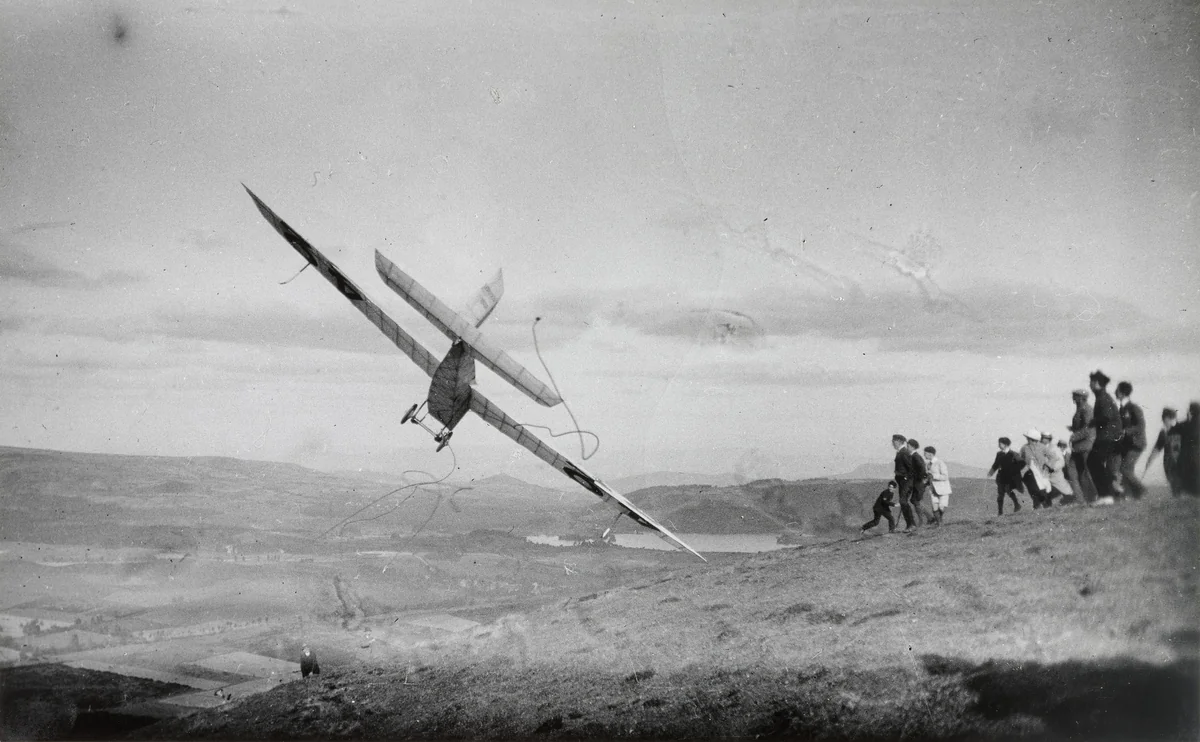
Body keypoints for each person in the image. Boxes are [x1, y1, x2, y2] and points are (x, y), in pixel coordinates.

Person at [1087, 370, 1122, 505]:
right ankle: (1109, 492)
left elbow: (1106, 417)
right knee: (1096, 463)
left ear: (1096, 383)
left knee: (1093, 462)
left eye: (1091, 382)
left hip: (1107, 438)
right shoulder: (1103, 396)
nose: (1089, 385)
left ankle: (1106, 495)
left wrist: (1093, 421)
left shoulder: (1103, 397)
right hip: (1110, 437)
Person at [1114, 381, 1147, 500]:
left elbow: (1141, 426)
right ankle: (1133, 496)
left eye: (1117, 390)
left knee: (1125, 469)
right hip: (1127, 445)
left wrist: (1126, 431)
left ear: (1122, 393)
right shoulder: (1121, 409)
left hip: (1136, 444)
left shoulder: (1134, 408)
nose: (1115, 392)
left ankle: (1142, 490)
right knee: (1127, 470)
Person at [1144, 407, 1183, 496]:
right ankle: (1178, 500)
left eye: (1165, 419)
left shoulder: (1181, 429)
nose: (1164, 422)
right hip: (1169, 462)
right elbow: (1157, 448)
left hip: (1180, 462)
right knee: (1174, 483)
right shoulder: (1163, 433)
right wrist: (1149, 461)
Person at [1067, 389, 1098, 503]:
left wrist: (1074, 436)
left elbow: (1088, 428)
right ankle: (1081, 500)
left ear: (1081, 398)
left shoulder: (1087, 410)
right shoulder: (1081, 409)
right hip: (1078, 447)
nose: (1073, 398)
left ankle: (1095, 498)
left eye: (1075, 396)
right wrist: (1073, 429)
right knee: (1073, 474)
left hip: (1086, 447)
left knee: (1087, 474)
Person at [987, 437, 1024, 515]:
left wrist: (1015, 470)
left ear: (1006, 444)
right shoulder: (999, 454)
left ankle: (1017, 504)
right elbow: (996, 464)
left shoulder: (1013, 454)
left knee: (1008, 490)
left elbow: (1022, 463)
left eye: (1000, 443)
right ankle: (1000, 512)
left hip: (1010, 477)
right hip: (1001, 477)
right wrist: (990, 473)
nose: (999, 445)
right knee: (1000, 494)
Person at [1020, 429, 1051, 508]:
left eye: (1029, 438)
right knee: (1034, 490)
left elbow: (1052, 457)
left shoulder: (1042, 447)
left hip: (1041, 472)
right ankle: (1037, 507)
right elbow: (1021, 459)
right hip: (1030, 472)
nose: (1028, 440)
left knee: (1042, 490)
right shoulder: (1024, 448)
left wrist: (1047, 466)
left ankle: (1046, 506)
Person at [891, 434, 917, 530]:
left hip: (907, 482)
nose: (892, 443)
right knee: (903, 502)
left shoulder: (904, 452)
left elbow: (912, 468)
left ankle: (912, 525)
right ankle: (910, 525)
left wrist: (906, 478)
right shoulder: (900, 452)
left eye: (893, 441)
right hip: (902, 482)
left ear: (899, 441)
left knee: (903, 501)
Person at [1043, 436, 1075, 503]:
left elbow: (1069, 466)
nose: (1059, 448)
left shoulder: (1068, 456)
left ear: (1064, 447)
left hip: (1067, 475)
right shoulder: (1056, 454)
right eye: (1059, 446)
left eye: (1061, 447)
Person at [924, 446, 951, 525]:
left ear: (930, 454)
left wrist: (934, 476)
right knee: (934, 507)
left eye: (925, 453)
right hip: (933, 489)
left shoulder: (940, 463)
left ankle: (939, 522)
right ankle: (939, 524)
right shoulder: (928, 464)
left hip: (943, 489)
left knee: (942, 507)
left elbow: (945, 476)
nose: (924, 455)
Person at [1179, 402, 1200, 497]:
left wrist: (1187, 419)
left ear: (1191, 411)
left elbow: (1181, 428)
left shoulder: (1189, 423)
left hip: (1190, 452)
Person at [908, 438, 929, 526]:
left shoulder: (915, 456)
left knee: (915, 500)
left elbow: (922, 469)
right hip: (918, 483)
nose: (907, 448)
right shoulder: (915, 456)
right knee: (915, 500)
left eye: (908, 446)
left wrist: (919, 479)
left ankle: (922, 522)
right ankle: (930, 518)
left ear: (912, 447)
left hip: (918, 483)